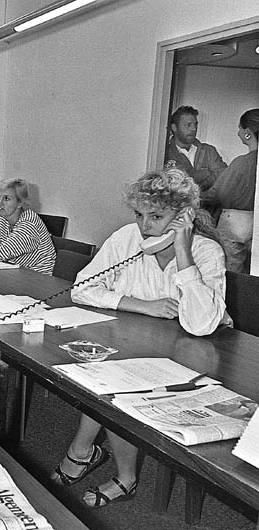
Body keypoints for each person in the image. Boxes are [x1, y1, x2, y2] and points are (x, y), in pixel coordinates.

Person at [51, 168, 229, 507]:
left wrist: (183, 252)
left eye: (157, 216)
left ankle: (103, 464)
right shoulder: (126, 239)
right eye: (139, 214)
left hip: (189, 358)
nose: (145, 225)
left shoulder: (206, 253)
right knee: (104, 371)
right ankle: (99, 461)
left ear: (184, 216)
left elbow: (202, 325)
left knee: (114, 381)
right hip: (134, 347)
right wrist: (141, 305)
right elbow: (81, 288)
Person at [206, 108, 259, 273]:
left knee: (230, 273)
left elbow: (217, 195)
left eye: (240, 128)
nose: (238, 133)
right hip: (254, 226)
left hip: (234, 226)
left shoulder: (243, 163)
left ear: (247, 133)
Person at [0, 178, 55, 274]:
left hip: (39, 281)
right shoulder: (2, 220)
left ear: (20, 203)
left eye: (7, 199)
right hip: (15, 275)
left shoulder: (29, 224)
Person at [164, 105, 227, 194]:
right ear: (174, 127)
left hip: (208, 205)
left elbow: (224, 177)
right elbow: (175, 185)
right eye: (188, 125)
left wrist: (191, 179)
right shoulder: (165, 152)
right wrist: (206, 173)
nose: (193, 129)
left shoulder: (209, 151)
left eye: (195, 124)